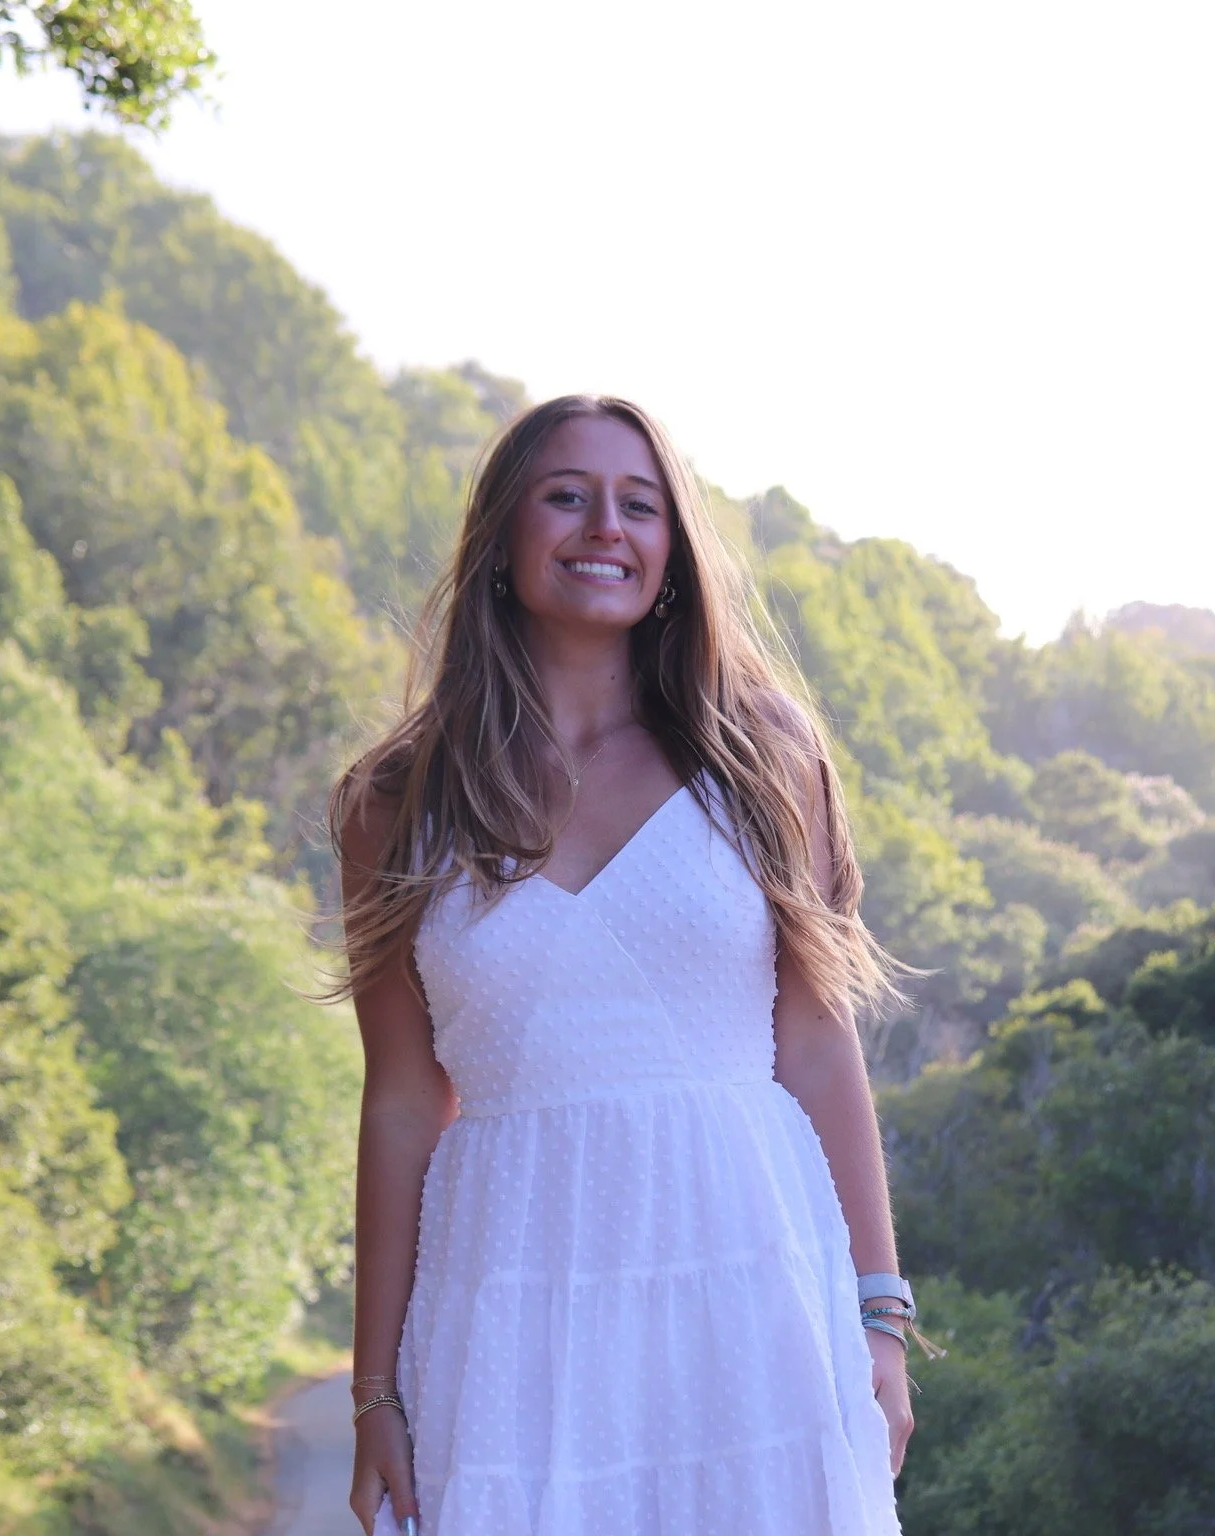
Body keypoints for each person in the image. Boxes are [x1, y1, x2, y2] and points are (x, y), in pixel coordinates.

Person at [331, 395, 916, 1536]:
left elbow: (815, 1040)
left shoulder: (762, 755)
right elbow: (402, 1100)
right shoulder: (394, 800)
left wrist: (879, 1314)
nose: (606, 525)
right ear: (502, 535)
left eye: (640, 505)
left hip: (748, 1290)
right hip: (509, 1304)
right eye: (568, 496)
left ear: (674, 550)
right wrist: (374, 1394)